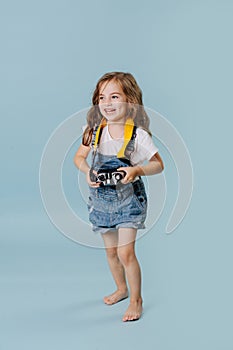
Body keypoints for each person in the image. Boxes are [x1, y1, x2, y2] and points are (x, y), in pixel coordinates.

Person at [74, 72, 164, 322]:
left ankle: (136, 299)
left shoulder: (138, 135)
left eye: (115, 96)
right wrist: (87, 171)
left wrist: (137, 169)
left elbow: (159, 164)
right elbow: (78, 158)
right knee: (111, 253)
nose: (107, 102)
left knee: (126, 254)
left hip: (128, 202)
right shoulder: (93, 131)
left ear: (130, 101)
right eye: (102, 97)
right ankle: (122, 289)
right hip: (101, 201)